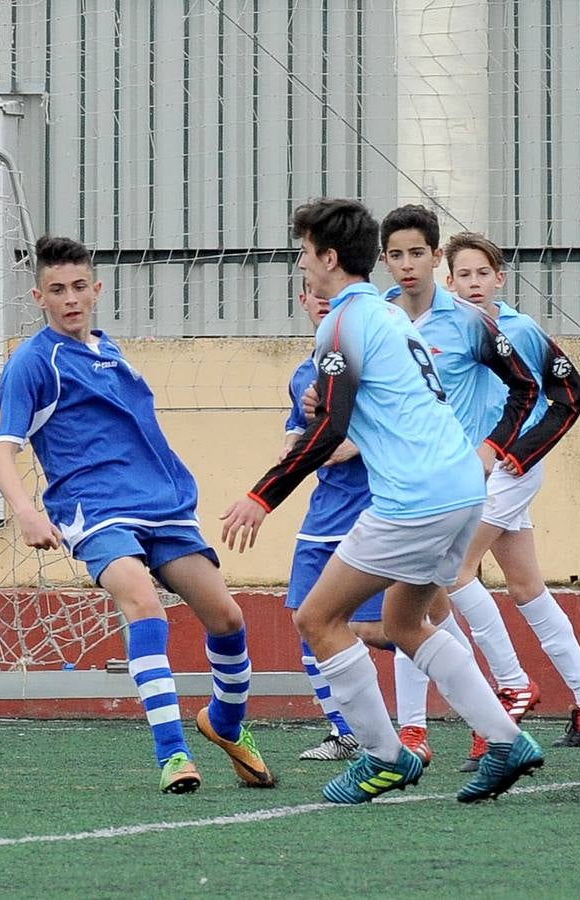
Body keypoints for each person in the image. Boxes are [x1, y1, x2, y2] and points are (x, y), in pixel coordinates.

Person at [222, 198, 543, 805]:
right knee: (403, 622)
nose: (301, 263)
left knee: (317, 619)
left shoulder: (341, 324)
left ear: (329, 257)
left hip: (414, 499)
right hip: (462, 491)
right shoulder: (391, 317)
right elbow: (362, 402)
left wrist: (261, 496)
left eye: (304, 252)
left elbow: (332, 427)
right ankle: (506, 739)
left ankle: (383, 756)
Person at [0, 235, 275, 794]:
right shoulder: (31, 362)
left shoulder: (111, 350)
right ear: (38, 296)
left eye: (78, 287)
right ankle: (172, 755)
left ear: (96, 289)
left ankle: (225, 724)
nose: (70, 299)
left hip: (163, 506)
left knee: (228, 618)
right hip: (93, 510)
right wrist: (25, 510)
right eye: (56, 290)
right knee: (142, 601)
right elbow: (3, 449)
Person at [378, 204, 545, 766]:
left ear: (435, 260)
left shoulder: (470, 322)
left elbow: (528, 389)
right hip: (398, 483)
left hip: (453, 489)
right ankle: (487, 711)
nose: (407, 265)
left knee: (420, 605)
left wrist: (495, 450)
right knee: (420, 609)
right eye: (396, 255)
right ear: (383, 261)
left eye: (417, 254)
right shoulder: (381, 317)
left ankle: (452, 722)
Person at [444, 231, 580, 764]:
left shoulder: (522, 330)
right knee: (525, 585)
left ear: (500, 278)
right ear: (448, 281)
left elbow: (569, 395)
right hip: (463, 472)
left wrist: (519, 453)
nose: (473, 284)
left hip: (508, 470)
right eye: (463, 275)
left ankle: (511, 685)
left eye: (482, 273)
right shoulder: (439, 327)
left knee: (453, 573)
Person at [285, 283, 432, 765]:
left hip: (371, 509)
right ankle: (346, 730)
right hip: (322, 513)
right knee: (306, 620)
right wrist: (297, 447)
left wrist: (359, 442)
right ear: (303, 302)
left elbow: (401, 426)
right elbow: (297, 436)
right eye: (311, 293)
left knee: (377, 630)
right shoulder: (303, 374)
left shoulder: (371, 360)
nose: (322, 299)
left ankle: (450, 667)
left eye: (329, 291)